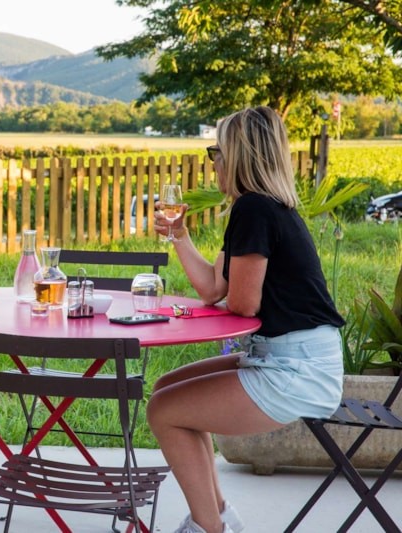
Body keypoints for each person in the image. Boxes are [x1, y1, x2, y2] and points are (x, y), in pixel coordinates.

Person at [148, 106, 345, 533]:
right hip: (287, 355)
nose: (213, 162)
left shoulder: (255, 209)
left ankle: (208, 528)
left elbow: (242, 305)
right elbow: (212, 289)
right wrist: (179, 236)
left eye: (216, 152)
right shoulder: (257, 207)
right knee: (166, 390)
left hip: (298, 369)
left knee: (164, 410)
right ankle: (219, 518)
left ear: (237, 155)